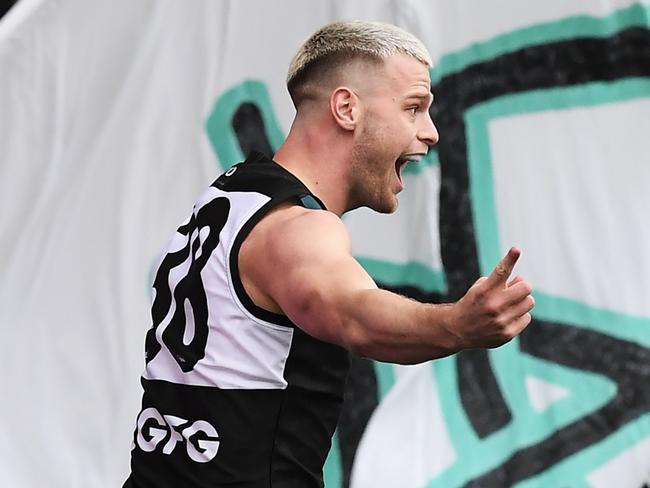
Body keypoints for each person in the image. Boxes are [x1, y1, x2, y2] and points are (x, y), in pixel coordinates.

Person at [124, 20, 534, 488]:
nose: (431, 133)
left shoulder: (231, 195)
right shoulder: (297, 230)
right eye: (413, 108)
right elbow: (354, 314)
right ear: (346, 108)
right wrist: (457, 325)